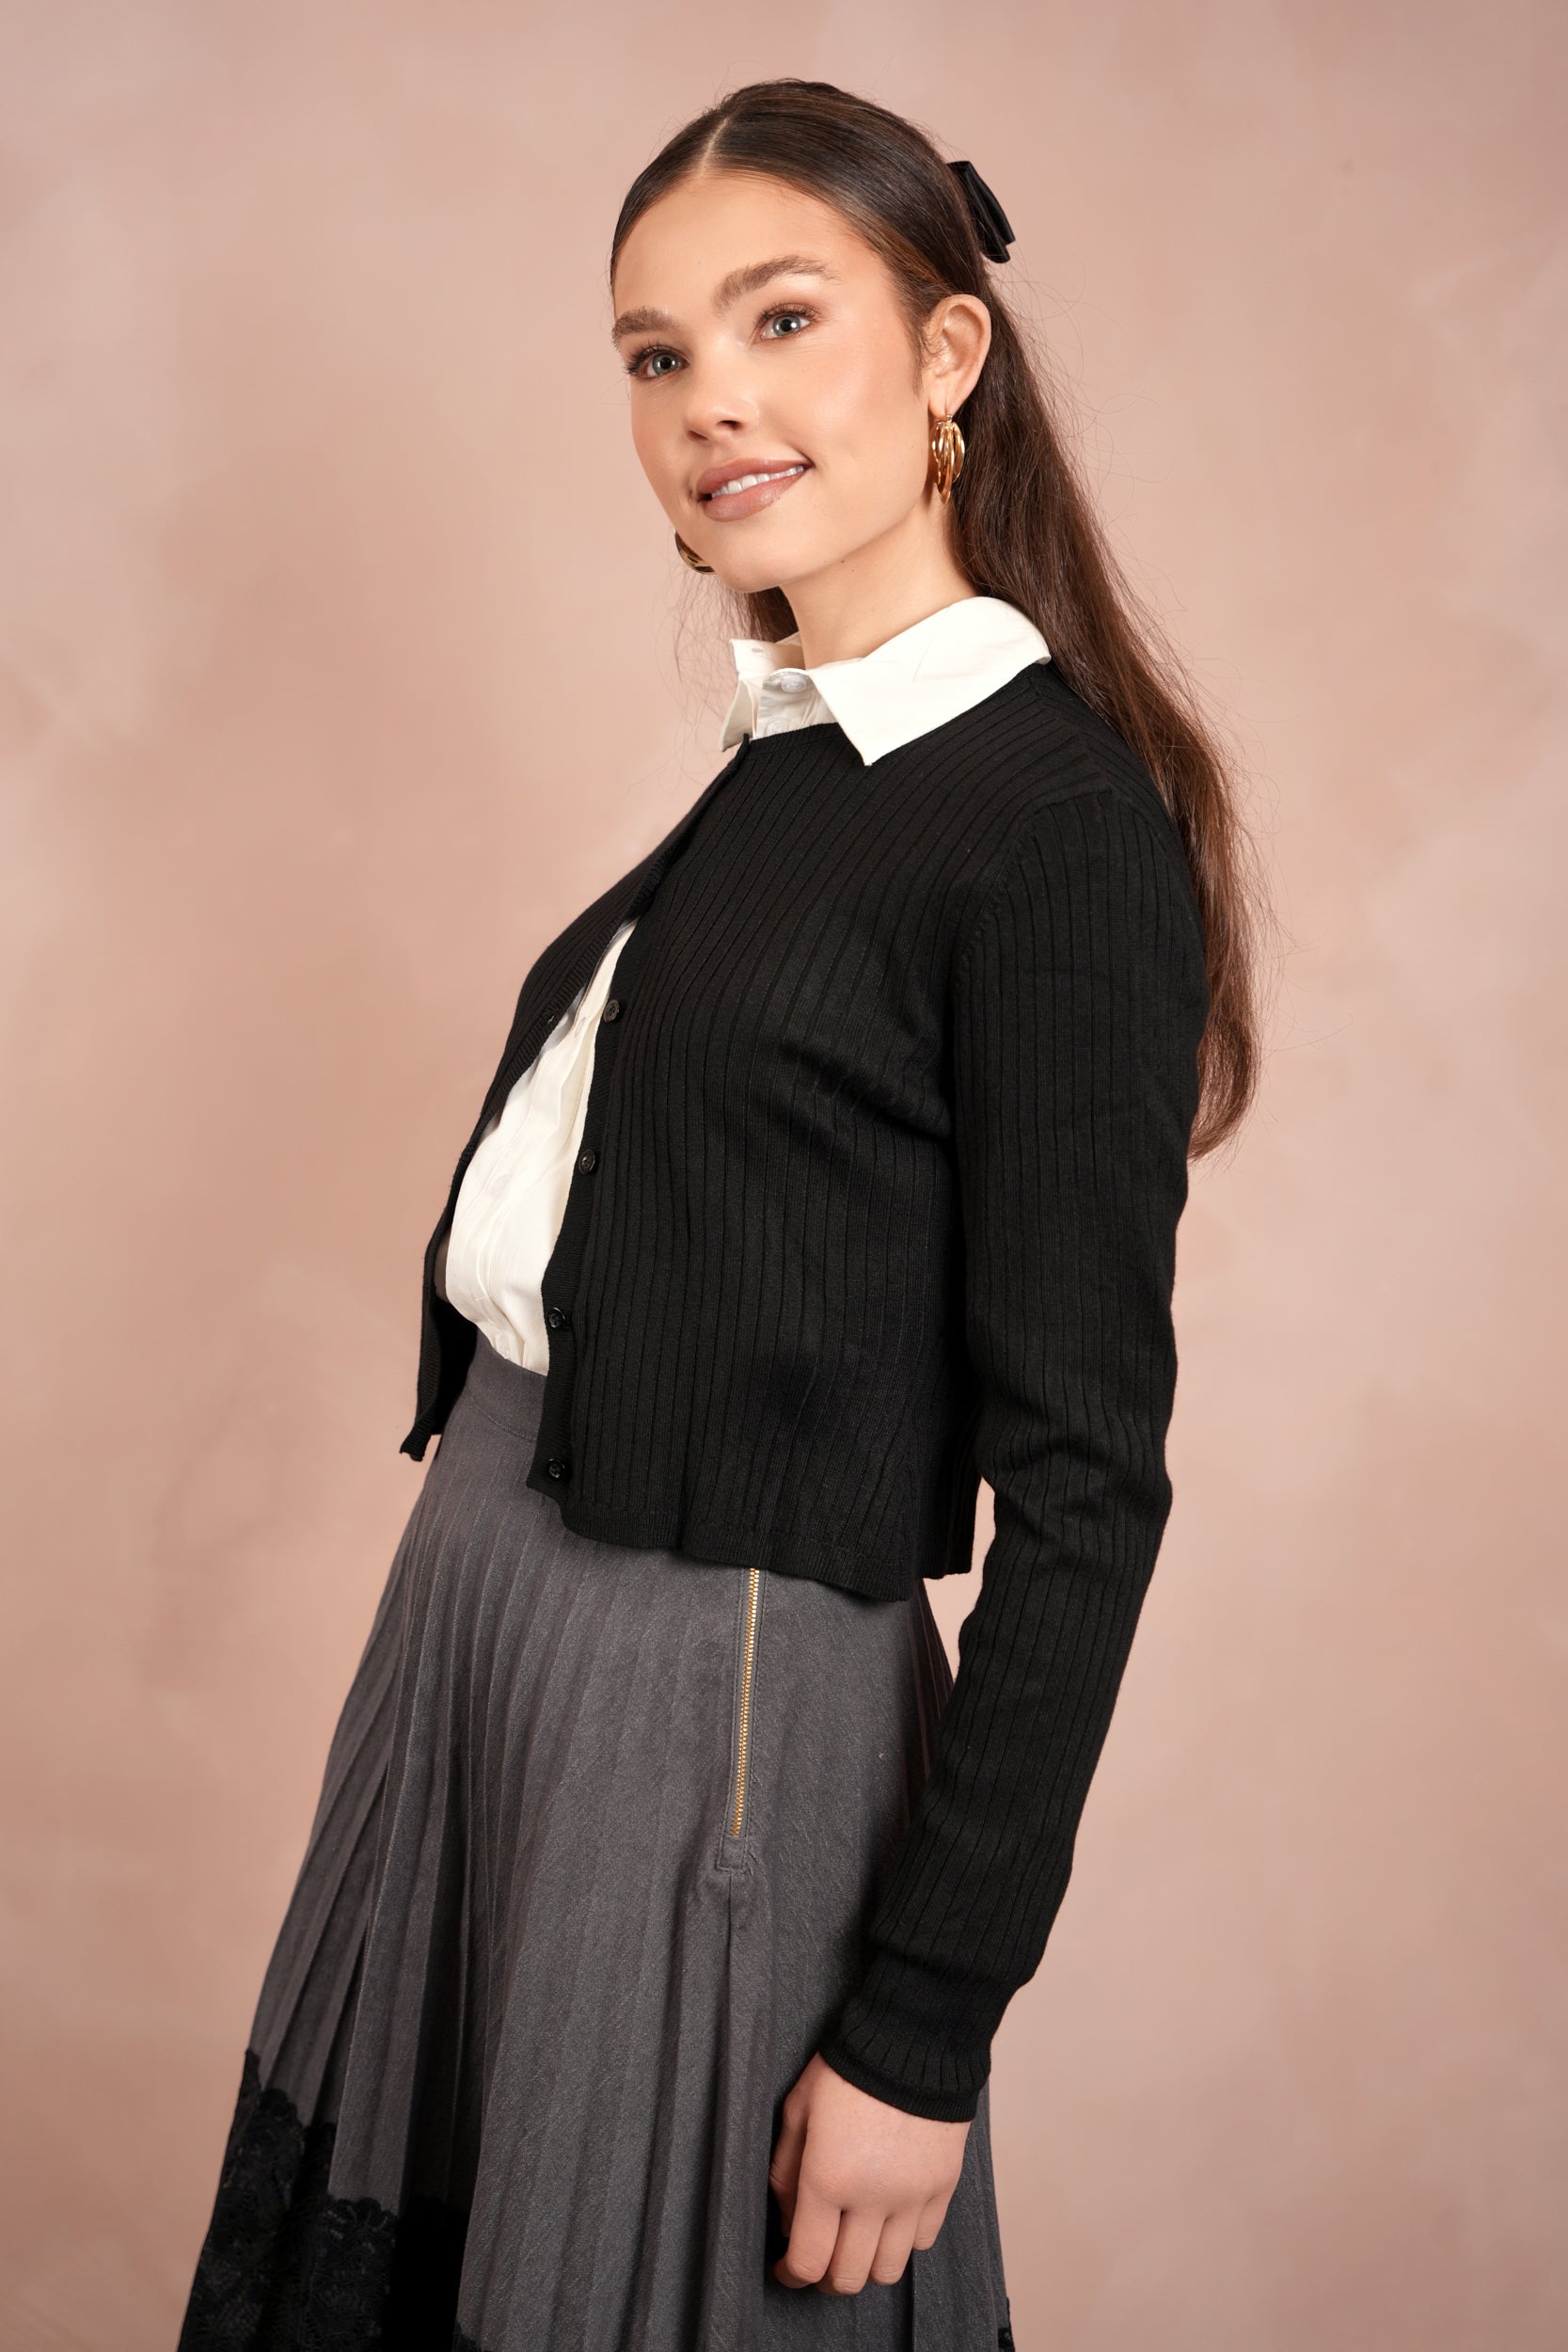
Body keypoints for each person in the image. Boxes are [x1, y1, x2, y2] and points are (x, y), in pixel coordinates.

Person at [177, 75, 1265, 2352]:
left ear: (947, 353)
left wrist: (925, 2022)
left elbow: (1091, 1483)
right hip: (492, 1619)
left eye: (781, 320)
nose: (709, 403)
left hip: (708, 1706)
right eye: (656, 354)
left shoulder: (1046, 821)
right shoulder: (801, 758)